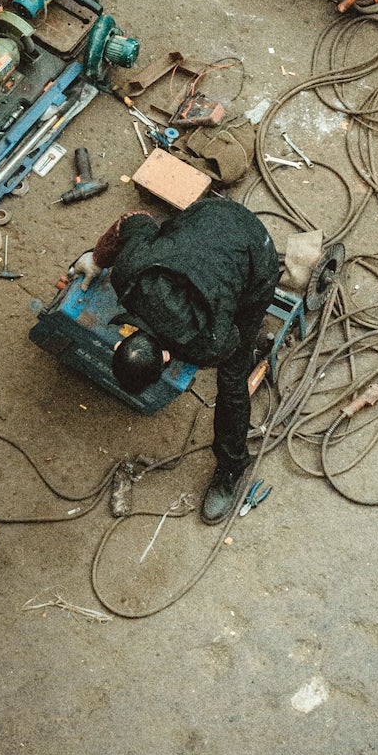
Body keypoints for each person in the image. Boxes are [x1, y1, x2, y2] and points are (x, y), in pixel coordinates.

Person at [71, 196, 281, 523]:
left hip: (256, 253)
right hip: (211, 213)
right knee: (171, 246)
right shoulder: (127, 274)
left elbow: (233, 340)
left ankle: (233, 467)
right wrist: (97, 258)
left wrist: (100, 257)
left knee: (232, 381)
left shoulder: (209, 344)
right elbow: (134, 219)